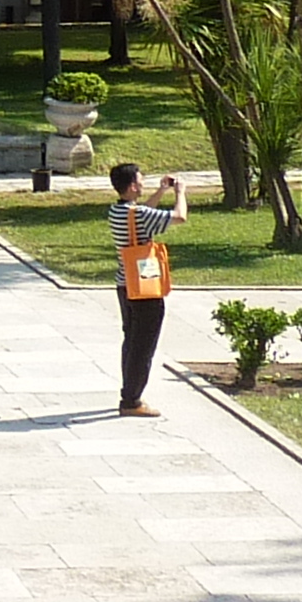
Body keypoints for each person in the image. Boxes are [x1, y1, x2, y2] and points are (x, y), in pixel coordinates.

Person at [107, 158, 187, 417]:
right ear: (131, 187)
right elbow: (180, 217)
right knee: (144, 345)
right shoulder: (139, 214)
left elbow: (141, 213)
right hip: (145, 289)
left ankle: (129, 392)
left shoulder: (119, 211)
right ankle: (131, 400)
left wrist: (161, 190)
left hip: (125, 284)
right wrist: (179, 193)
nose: (143, 185)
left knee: (131, 340)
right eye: (140, 182)